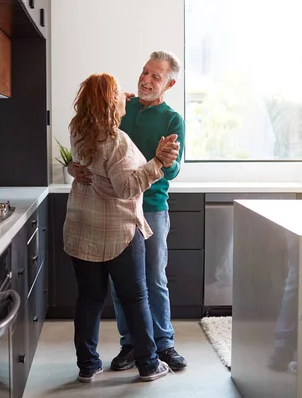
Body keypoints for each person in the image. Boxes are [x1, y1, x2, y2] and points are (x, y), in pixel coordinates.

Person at [68, 50, 187, 371]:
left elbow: (173, 171)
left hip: (151, 207)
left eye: (156, 77)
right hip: (115, 211)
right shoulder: (122, 107)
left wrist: (165, 160)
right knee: (127, 288)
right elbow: (89, 150)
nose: (146, 80)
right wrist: (72, 167)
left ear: (170, 83)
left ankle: (164, 344)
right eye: (145, 72)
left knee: (152, 280)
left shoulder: (173, 119)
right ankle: (131, 345)